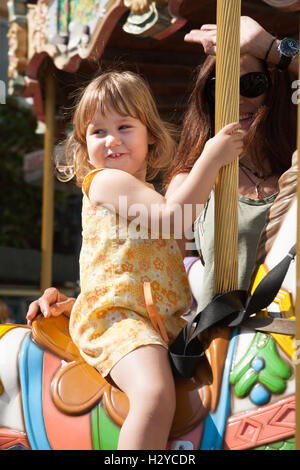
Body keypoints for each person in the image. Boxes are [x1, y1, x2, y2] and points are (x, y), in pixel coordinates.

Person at [27, 69, 243, 450]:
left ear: (150, 135)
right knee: (155, 393)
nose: (111, 141)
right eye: (98, 131)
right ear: (83, 144)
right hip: (119, 321)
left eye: (124, 126)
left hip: (156, 322)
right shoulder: (105, 181)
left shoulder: (147, 196)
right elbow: (174, 217)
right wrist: (212, 157)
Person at [165, 16, 298, 311]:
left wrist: (268, 46)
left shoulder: (294, 172)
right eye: (221, 89)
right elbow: (160, 272)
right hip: (225, 345)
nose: (237, 99)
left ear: (273, 91)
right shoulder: (191, 180)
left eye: (251, 84)